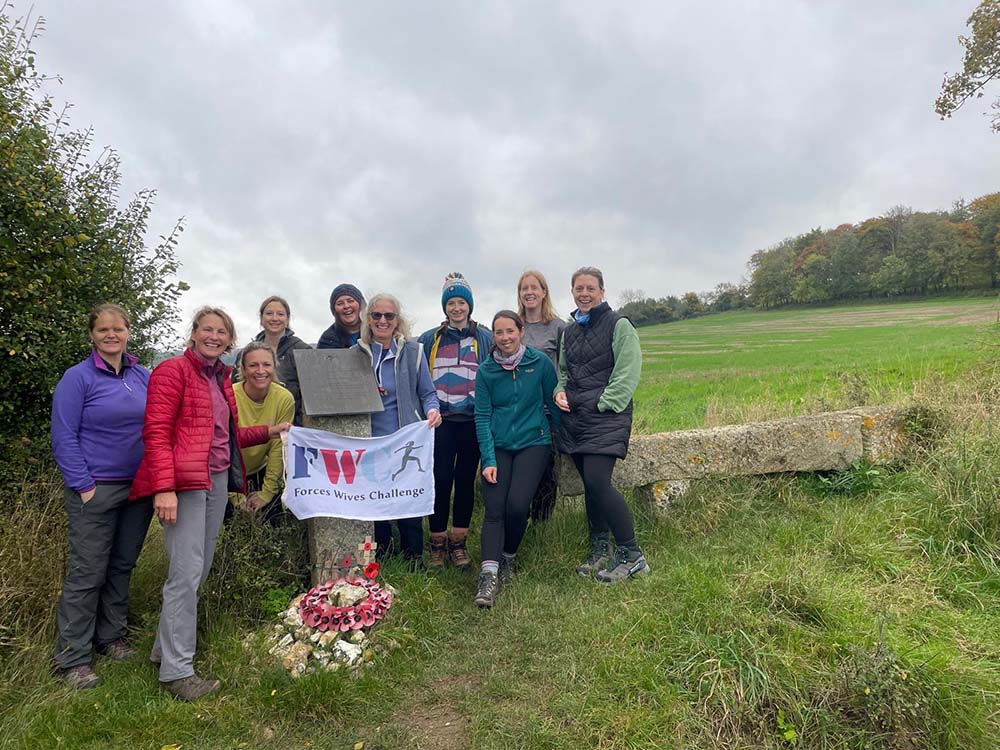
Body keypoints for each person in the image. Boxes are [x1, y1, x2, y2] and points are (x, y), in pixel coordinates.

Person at [130, 307, 290, 701]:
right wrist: (164, 489)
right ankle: (177, 672)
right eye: (208, 330)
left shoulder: (220, 377)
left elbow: (227, 434)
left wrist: (271, 431)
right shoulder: (172, 372)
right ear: (195, 333)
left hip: (216, 481)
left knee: (197, 571)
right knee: (185, 573)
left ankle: (161, 651)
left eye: (222, 332)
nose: (214, 336)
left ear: (229, 340)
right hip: (184, 484)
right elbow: (156, 432)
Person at [50, 304, 153, 690]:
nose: (111, 334)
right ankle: (72, 658)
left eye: (118, 328)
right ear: (92, 334)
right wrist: (84, 486)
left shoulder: (143, 376)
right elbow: (63, 435)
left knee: (121, 566)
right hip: (95, 489)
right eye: (103, 329)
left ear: (128, 332)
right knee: (88, 571)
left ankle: (110, 637)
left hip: (138, 488)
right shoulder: (77, 378)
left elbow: (159, 424)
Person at [554, 267, 649, 583]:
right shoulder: (570, 331)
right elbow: (565, 372)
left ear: (602, 291)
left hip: (606, 418)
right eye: (578, 288)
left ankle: (632, 554)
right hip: (576, 420)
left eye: (590, 288)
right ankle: (600, 549)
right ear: (572, 292)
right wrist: (559, 391)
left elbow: (627, 373)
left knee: (598, 482)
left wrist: (602, 403)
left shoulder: (619, 324)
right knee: (590, 487)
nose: (584, 293)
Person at [472, 311, 559, 608]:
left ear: (521, 332)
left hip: (534, 442)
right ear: (493, 337)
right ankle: (489, 575)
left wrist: (572, 435)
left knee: (518, 505)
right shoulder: (486, 371)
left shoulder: (540, 363)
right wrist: (488, 458)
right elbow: (482, 416)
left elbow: (553, 403)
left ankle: (508, 555)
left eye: (510, 331)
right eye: (499, 332)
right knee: (495, 509)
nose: (505, 337)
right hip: (498, 446)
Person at [356, 294, 441, 565]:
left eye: (389, 316)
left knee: (408, 503)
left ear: (397, 321)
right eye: (377, 315)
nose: (382, 321)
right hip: (370, 444)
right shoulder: (354, 355)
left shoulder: (414, 353)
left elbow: (428, 393)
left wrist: (431, 410)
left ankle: (414, 559)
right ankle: (382, 557)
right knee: (375, 502)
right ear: (368, 320)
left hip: (406, 441)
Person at [417, 272, 492, 568]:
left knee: (464, 481)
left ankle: (459, 542)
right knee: (440, 479)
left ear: (469, 305)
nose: (457, 308)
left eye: (462, 302)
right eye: (451, 303)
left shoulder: (483, 337)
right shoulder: (430, 338)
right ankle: (436, 541)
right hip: (441, 422)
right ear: (445, 307)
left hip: (472, 420)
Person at [516, 269, 567, 522]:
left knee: (546, 467)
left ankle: (541, 522)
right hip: (519, 408)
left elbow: (568, 366)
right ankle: (518, 517)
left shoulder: (558, 327)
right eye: (524, 288)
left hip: (547, 408)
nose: (529, 293)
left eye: (534, 288)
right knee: (520, 466)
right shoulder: (515, 326)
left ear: (544, 292)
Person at [232, 341, 295, 523]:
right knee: (235, 532)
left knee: (273, 527)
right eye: (253, 365)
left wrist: (267, 493)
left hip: (262, 468)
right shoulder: (229, 395)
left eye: (266, 364)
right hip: (230, 471)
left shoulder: (284, 398)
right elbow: (224, 446)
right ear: (243, 369)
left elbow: (278, 447)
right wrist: (234, 496)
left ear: (274, 367)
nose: (261, 371)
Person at [251, 295, 311, 425]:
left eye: (280, 314)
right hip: (255, 426)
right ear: (261, 319)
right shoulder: (248, 353)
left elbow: (310, 397)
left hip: (292, 426)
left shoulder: (302, 351)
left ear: (287, 319)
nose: (274, 318)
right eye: (269, 313)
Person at [317, 283, 365, 349]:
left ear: (361, 304)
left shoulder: (375, 332)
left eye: (350, 301)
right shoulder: (327, 340)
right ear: (334, 310)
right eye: (340, 303)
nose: (346, 306)